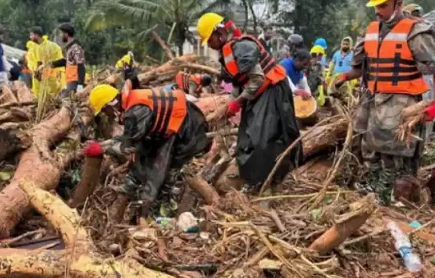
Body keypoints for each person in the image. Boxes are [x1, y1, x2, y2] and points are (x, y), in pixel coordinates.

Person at [334, 0, 435, 205]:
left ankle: (391, 195)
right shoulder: (371, 30)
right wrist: (343, 77)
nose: (378, 11)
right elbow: (360, 68)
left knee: (394, 152)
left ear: (399, 2)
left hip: (401, 101)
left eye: (383, 5)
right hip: (372, 98)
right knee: (368, 147)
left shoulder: (416, 31)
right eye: (376, 5)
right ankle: (374, 188)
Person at [197, 12, 301, 191]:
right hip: (258, 93)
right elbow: (240, 81)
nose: (210, 45)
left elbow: (257, 80)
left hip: (272, 90)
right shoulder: (228, 51)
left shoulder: (242, 47)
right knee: (246, 137)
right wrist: (229, 105)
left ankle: (267, 181)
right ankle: (253, 180)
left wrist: (237, 102)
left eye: (210, 40)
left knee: (263, 139)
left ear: (219, 33)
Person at [84, 79, 210, 219]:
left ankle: (161, 210)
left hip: (188, 129)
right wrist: (103, 144)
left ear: (110, 104)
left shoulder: (135, 112)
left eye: (104, 110)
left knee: (166, 170)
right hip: (170, 127)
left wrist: (101, 150)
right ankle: (132, 184)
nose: (106, 114)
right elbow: (129, 138)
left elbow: (128, 146)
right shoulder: (130, 103)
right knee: (144, 150)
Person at [48, 23, 86, 97]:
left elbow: (81, 65)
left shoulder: (76, 48)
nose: (60, 35)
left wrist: (80, 84)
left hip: (75, 81)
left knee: (67, 101)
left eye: (61, 33)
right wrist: (50, 64)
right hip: (70, 80)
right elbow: (66, 61)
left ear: (66, 34)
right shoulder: (69, 47)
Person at [31, 27, 65, 96]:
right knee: (38, 98)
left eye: (31, 35)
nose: (30, 37)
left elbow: (60, 62)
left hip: (51, 80)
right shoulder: (32, 48)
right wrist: (35, 68)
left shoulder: (53, 47)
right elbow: (31, 61)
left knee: (51, 98)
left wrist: (46, 66)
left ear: (37, 35)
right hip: (38, 79)